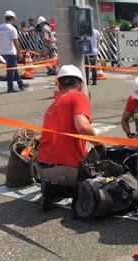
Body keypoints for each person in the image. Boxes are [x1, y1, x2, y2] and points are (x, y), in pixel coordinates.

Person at [36, 65, 106, 211]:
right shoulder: (79, 97)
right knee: (100, 177)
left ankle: (52, 189)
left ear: (59, 85)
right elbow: (82, 126)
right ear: (80, 85)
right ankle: (67, 190)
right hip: (64, 169)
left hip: (42, 167)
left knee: (84, 160)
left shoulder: (53, 106)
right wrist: (99, 145)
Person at [0, 11, 29, 93]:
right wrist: (19, 52)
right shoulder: (12, 28)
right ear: (13, 19)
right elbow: (15, 41)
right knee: (10, 70)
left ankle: (20, 84)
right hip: (10, 52)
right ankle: (10, 87)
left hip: (3, 52)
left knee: (14, 68)